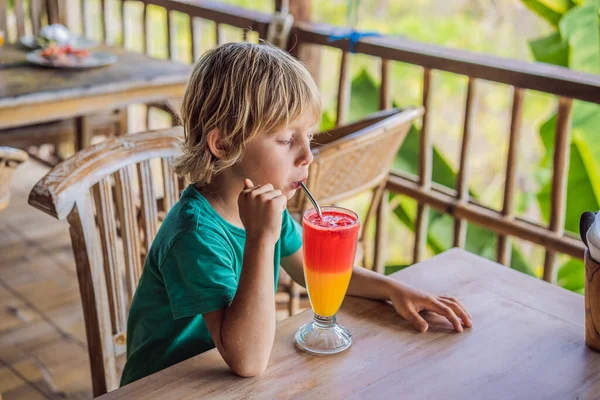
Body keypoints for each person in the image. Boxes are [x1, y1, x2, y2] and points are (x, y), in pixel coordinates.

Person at [120, 42, 472, 386]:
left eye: (309, 137)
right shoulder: (195, 233)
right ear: (224, 144)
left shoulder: (264, 207)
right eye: (287, 140)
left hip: (221, 381)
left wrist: (393, 290)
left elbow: (316, 273)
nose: (308, 155)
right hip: (165, 386)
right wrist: (262, 238)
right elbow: (249, 360)